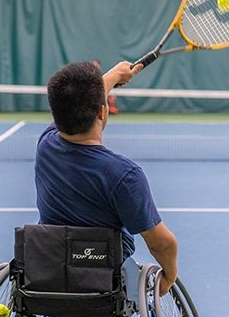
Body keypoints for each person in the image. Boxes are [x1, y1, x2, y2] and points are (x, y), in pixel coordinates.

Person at [35, 60, 178, 297]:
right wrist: (170, 275)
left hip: (49, 276)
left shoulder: (45, 144)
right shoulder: (125, 175)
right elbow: (162, 243)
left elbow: (73, 102)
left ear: (55, 113)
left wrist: (112, 75)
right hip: (108, 286)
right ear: (102, 111)